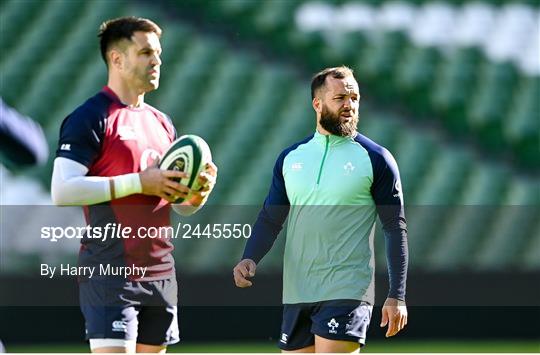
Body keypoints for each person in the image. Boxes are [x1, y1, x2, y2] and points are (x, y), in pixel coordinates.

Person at [51, 17, 217, 353]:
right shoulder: (91, 117)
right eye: (145, 52)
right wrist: (140, 182)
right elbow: (63, 190)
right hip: (111, 272)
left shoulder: (161, 122)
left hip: (161, 273)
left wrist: (198, 192)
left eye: (158, 53)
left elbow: (180, 206)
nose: (157, 61)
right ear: (117, 59)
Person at [233, 66, 408, 353]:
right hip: (298, 291)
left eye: (354, 97)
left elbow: (394, 227)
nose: (349, 105)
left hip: (347, 288)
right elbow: (271, 217)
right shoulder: (291, 157)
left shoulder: (376, 158)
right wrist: (249, 257)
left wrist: (396, 295)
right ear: (318, 104)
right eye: (340, 98)